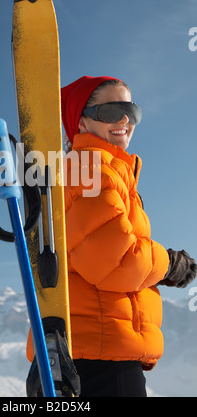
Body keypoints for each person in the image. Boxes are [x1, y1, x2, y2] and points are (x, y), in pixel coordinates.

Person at [61, 75, 197, 397]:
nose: (123, 120)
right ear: (81, 121)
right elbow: (116, 260)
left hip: (103, 344)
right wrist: (169, 265)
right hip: (99, 353)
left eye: (131, 111)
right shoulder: (88, 169)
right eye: (110, 111)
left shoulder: (108, 170)